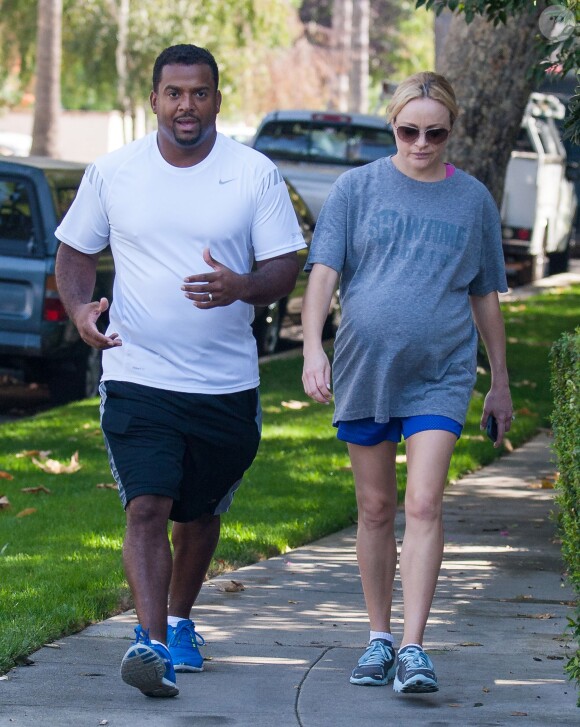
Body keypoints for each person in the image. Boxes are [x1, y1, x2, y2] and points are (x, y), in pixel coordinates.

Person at [55, 44, 305, 698]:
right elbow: (75, 250)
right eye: (174, 93)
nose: (185, 105)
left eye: (198, 93)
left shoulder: (253, 174)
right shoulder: (115, 172)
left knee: (196, 512)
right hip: (136, 370)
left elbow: (284, 267)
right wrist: (82, 309)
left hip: (225, 383)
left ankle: (180, 617)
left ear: (217, 99)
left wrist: (242, 285)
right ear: (154, 99)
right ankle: (151, 644)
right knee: (148, 504)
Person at [301, 71, 513, 694]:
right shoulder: (356, 188)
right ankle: (378, 638)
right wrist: (313, 348)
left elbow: (486, 295)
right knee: (375, 509)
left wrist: (499, 381)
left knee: (423, 502)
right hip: (366, 367)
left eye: (435, 132)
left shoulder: (472, 199)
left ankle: (415, 647)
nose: (421, 142)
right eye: (408, 130)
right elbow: (322, 275)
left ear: (452, 130)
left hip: (442, 371)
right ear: (392, 125)